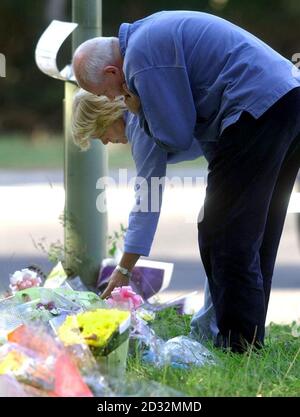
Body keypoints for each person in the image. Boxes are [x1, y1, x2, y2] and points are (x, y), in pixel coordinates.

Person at [72, 11, 300, 352]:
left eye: (104, 94)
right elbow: (208, 129)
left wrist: (124, 269)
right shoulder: (148, 42)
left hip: (259, 108)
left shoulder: (139, 83)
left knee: (223, 234)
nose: (106, 142)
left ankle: (236, 344)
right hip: (285, 98)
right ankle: (247, 339)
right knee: (252, 234)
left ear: (110, 72)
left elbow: (163, 164)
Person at [72, 89, 218, 343]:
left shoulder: (140, 126)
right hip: (230, 147)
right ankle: (221, 329)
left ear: (106, 117)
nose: (105, 142)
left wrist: (124, 269)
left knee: (221, 239)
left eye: (100, 134)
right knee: (223, 237)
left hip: (238, 145)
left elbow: (147, 201)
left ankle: (215, 332)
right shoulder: (138, 119)